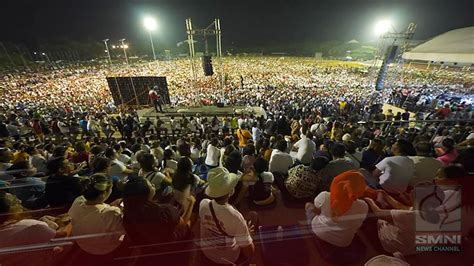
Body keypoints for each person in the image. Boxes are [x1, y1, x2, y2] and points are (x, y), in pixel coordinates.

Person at [122, 177, 190, 265]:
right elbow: (183, 224)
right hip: (171, 248)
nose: (153, 185)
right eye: (150, 185)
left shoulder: (127, 217)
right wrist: (191, 203)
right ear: (145, 194)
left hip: (149, 251)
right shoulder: (164, 211)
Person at [199, 167, 256, 265]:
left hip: (206, 252)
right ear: (230, 191)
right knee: (253, 216)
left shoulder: (203, 204)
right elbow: (250, 251)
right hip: (228, 258)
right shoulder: (235, 216)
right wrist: (248, 235)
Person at [305, 170, 368, 258]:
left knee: (308, 206)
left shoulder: (324, 196)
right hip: (344, 242)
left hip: (319, 232)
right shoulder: (364, 206)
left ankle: (309, 226)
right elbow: (358, 226)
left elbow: (316, 210)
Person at [0, 191, 70, 266]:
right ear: (8, 210)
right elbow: (62, 235)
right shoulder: (30, 226)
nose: (19, 201)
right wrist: (69, 222)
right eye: (14, 201)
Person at [68, 173, 124, 261]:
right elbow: (122, 231)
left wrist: (110, 206)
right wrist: (121, 211)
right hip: (104, 249)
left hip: (82, 244)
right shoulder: (111, 213)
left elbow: (93, 212)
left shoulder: (78, 200)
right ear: (105, 192)